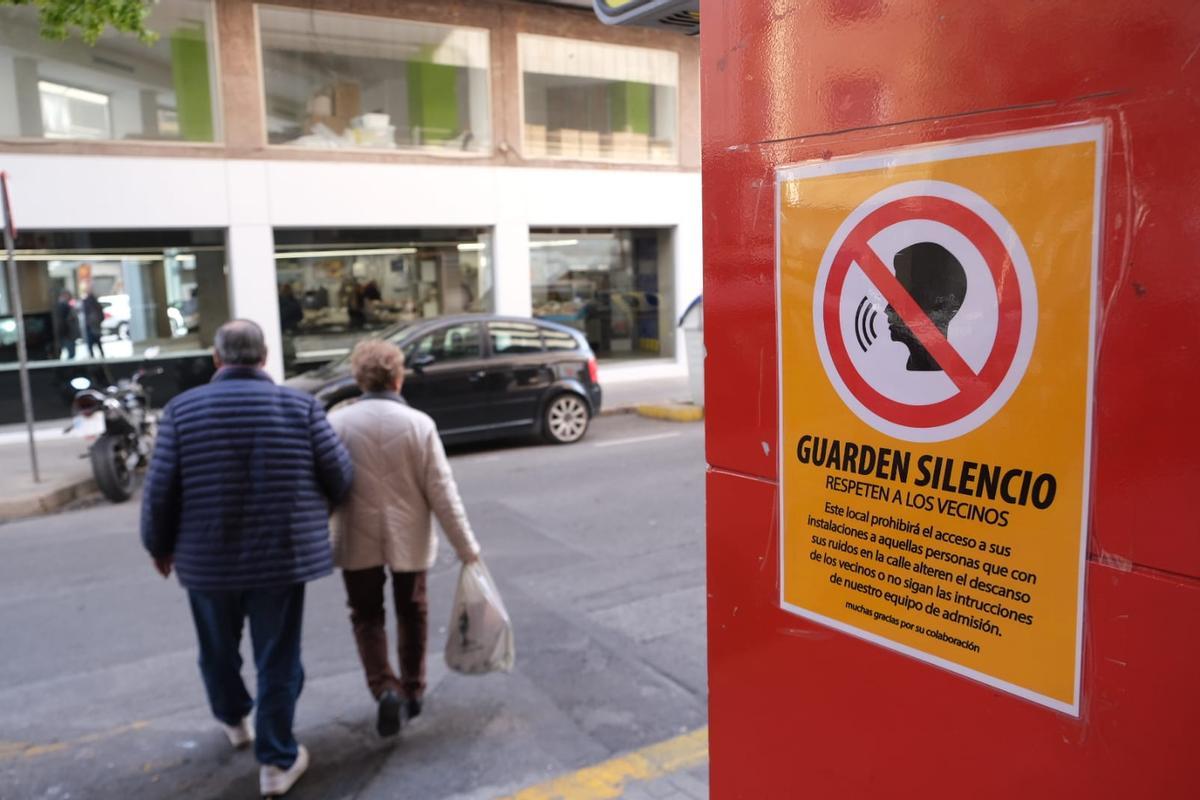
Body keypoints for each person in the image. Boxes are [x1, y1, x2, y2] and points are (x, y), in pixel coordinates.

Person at [140, 319, 353, 798]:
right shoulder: (300, 405)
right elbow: (340, 476)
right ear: (265, 358)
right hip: (281, 558)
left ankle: (234, 719)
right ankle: (277, 761)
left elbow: (160, 493)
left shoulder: (181, 410)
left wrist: (159, 546)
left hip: (207, 559)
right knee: (277, 657)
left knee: (217, 648)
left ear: (217, 360)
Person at [327, 339, 480, 737]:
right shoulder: (419, 425)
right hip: (407, 536)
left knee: (366, 615)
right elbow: (443, 493)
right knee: (413, 610)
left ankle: (384, 688)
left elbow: (322, 487)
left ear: (360, 379)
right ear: (398, 378)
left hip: (355, 536)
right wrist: (466, 548)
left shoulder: (337, 424)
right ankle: (413, 690)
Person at [53, 290, 80, 360]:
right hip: (67, 334)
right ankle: (68, 369)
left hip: (65, 334)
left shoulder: (59, 306)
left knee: (66, 353)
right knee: (71, 353)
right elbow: (64, 322)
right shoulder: (64, 306)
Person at [81, 291, 105, 359]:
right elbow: (102, 317)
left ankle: (92, 357)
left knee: (91, 344)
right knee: (98, 343)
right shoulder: (96, 305)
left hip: (90, 327)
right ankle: (101, 355)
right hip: (95, 327)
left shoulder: (86, 304)